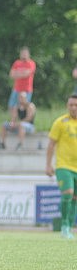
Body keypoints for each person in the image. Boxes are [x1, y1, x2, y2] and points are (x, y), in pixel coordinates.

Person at [45, 93, 77, 239]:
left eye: (76, 105)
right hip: (64, 166)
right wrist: (48, 165)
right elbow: (51, 144)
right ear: (67, 106)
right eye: (71, 105)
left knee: (75, 198)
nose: (74, 108)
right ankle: (64, 226)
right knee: (68, 193)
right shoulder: (61, 122)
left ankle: (70, 226)